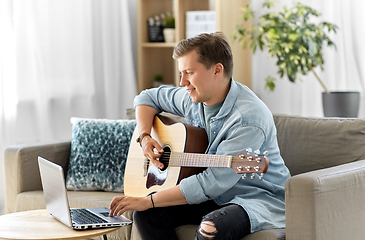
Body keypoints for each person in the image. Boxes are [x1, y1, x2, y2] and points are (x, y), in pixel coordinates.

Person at [109, 32, 291, 240]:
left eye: (189, 72)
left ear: (216, 70)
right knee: (146, 215)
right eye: (181, 73)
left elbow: (212, 181)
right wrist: (145, 137)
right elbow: (146, 98)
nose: (182, 82)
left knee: (211, 228)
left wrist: (149, 200)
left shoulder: (248, 119)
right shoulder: (193, 97)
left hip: (256, 198)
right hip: (215, 195)